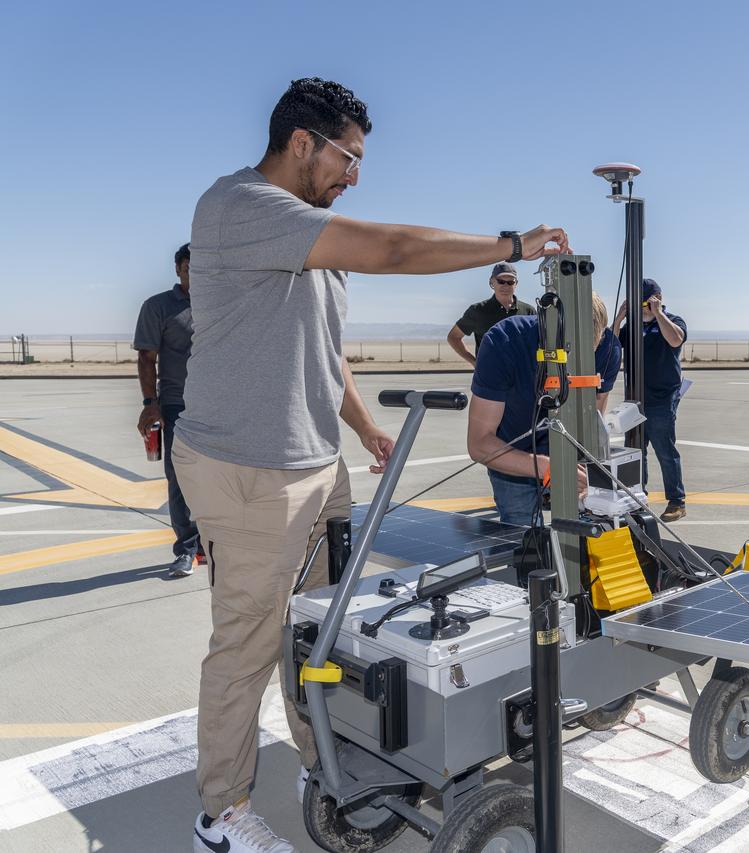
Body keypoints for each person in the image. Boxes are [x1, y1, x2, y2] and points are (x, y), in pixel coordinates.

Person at [172, 77, 570, 853]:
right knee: (249, 639)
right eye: (348, 158)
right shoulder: (242, 208)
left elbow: (323, 352)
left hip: (315, 463)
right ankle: (220, 815)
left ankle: (326, 760)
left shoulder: (310, 233)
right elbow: (393, 247)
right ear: (301, 144)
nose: (355, 174)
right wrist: (510, 246)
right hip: (248, 468)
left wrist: (362, 428)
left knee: (325, 631)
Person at [467, 294, 621, 524]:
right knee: (524, 543)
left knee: (579, 543)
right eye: (568, 354)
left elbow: (593, 418)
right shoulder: (505, 341)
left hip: (572, 465)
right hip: (514, 462)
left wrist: (589, 473)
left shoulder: (608, 348)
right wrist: (547, 467)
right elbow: (479, 444)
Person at [132, 243, 201, 578]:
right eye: (189, 267)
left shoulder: (223, 304)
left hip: (220, 406)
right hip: (177, 408)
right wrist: (150, 405)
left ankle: (214, 545)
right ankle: (187, 550)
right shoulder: (158, 306)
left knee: (224, 478)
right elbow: (147, 358)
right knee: (179, 479)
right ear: (178, 269)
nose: (195, 273)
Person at [612, 277, 688, 522]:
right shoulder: (632, 325)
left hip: (662, 398)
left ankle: (677, 501)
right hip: (635, 398)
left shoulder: (672, 321)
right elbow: (611, 345)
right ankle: (637, 497)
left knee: (665, 449)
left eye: (647, 302)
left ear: (658, 299)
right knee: (634, 450)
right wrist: (620, 317)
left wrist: (658, 314)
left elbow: (676, 339)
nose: (643, 308)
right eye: (639, 303)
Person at [446, 261, 535, 366]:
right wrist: (474, 362)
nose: (505, 286)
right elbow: (453, 337)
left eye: (510, 282)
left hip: (522, 376)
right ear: (492, 282)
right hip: (489, 377)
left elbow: (538, 342)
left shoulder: (528, 311)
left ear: (516, 284)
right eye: (501, 281)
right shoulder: (478, 310)